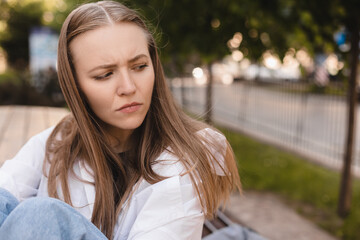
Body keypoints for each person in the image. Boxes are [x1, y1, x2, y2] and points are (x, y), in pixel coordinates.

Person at [0, 1, 241, 239]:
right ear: (75, 86)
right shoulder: (59, 141)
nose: (128, 87)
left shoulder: (187, 156)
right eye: (105, 75)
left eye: (139, 66)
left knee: (41, 215)